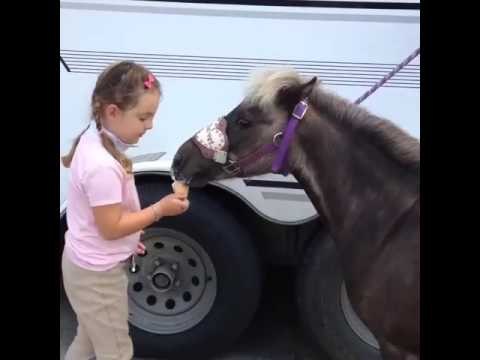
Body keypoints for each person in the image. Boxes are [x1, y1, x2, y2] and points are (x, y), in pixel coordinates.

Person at [61, 61, 189, 360]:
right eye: (143, 117)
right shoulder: (101, 166)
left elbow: (106, 224)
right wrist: (159, 209)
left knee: (89, 338)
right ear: (112, 111)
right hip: (98, 277)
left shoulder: (95, 138)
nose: (150, 125)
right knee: (116, 351)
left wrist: (129, 239)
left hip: (84, 266)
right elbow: (111, 228)